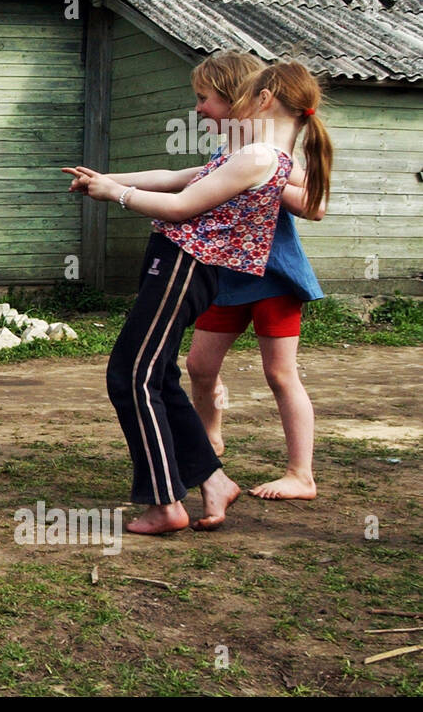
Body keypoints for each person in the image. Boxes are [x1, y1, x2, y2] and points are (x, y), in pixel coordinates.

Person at [64, 61, 331, 535]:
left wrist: (117, 193)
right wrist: (106, 177)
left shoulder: (259, 158)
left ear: (262, 99)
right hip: (180, 262)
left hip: (186, 265)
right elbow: (175, 176)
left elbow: (184, 205)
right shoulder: (249, 154)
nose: (201, 107)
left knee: (132, 375)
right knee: (157, 373)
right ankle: (211, 477)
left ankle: (166, 503)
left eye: (212, 98)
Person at [183, 56, 329, 504]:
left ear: (241, 102)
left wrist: (263, 181)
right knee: (199, 367)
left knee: (281, 373)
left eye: (205, 99)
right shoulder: (226, 154)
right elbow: (187, 188)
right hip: (227, 278)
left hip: (273, 278)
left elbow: (314, 204)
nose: (199, 109)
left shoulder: (270, 156)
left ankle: (300, 474)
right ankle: (211, 433)